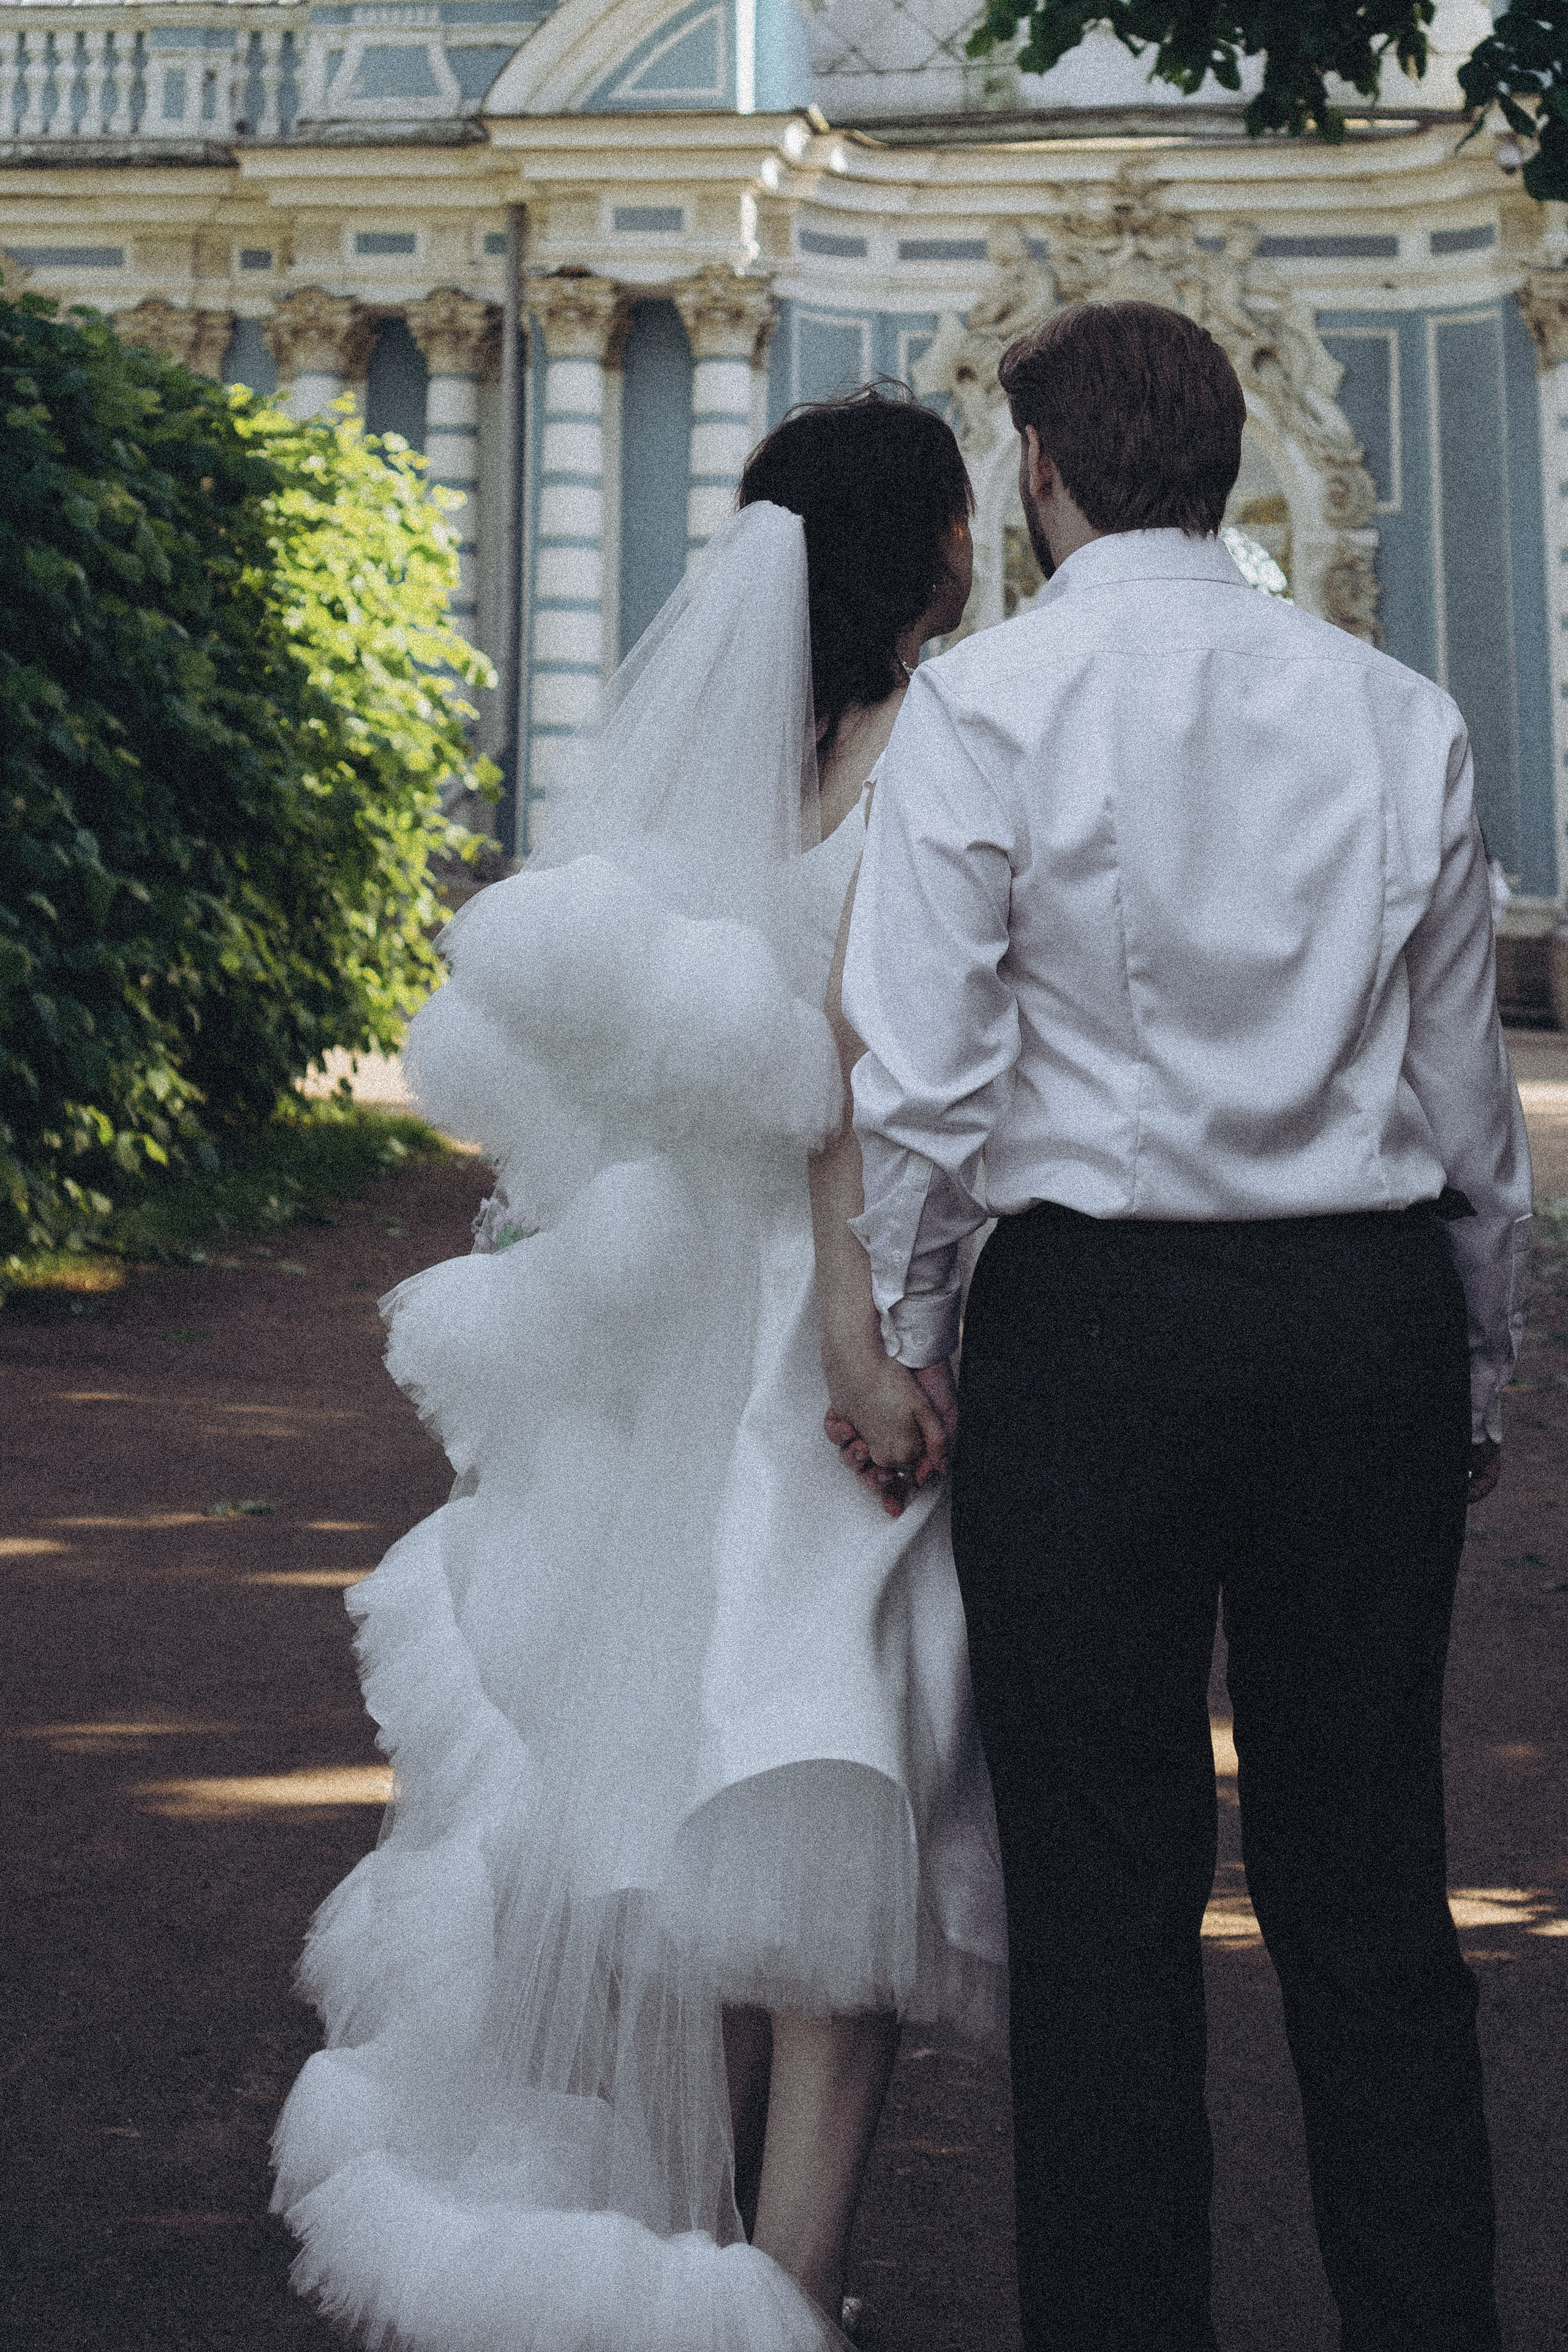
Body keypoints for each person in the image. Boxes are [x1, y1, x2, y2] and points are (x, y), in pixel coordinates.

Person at [270, 388, 1006, 2352]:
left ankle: (710, 2256)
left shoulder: (727, 768)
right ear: (929, 550)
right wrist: (872, 1331)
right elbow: (880, 1079)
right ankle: (785, 2292)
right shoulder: (944, 751)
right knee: (833, 1791)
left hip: (678, 1324)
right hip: (839, 1333)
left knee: (690, 1795)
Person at [835, 301, 1533, 2351]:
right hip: (1360, 1320)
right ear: (1222, 466)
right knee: (1372, 1884)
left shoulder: (985, 706)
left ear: (1041, 474)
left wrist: (912, 1326)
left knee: (1102, 1904)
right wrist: (1478, 1362)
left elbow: (925, 1083)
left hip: (1095, 1336)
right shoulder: (1399, 712)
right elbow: (1467, 1106)